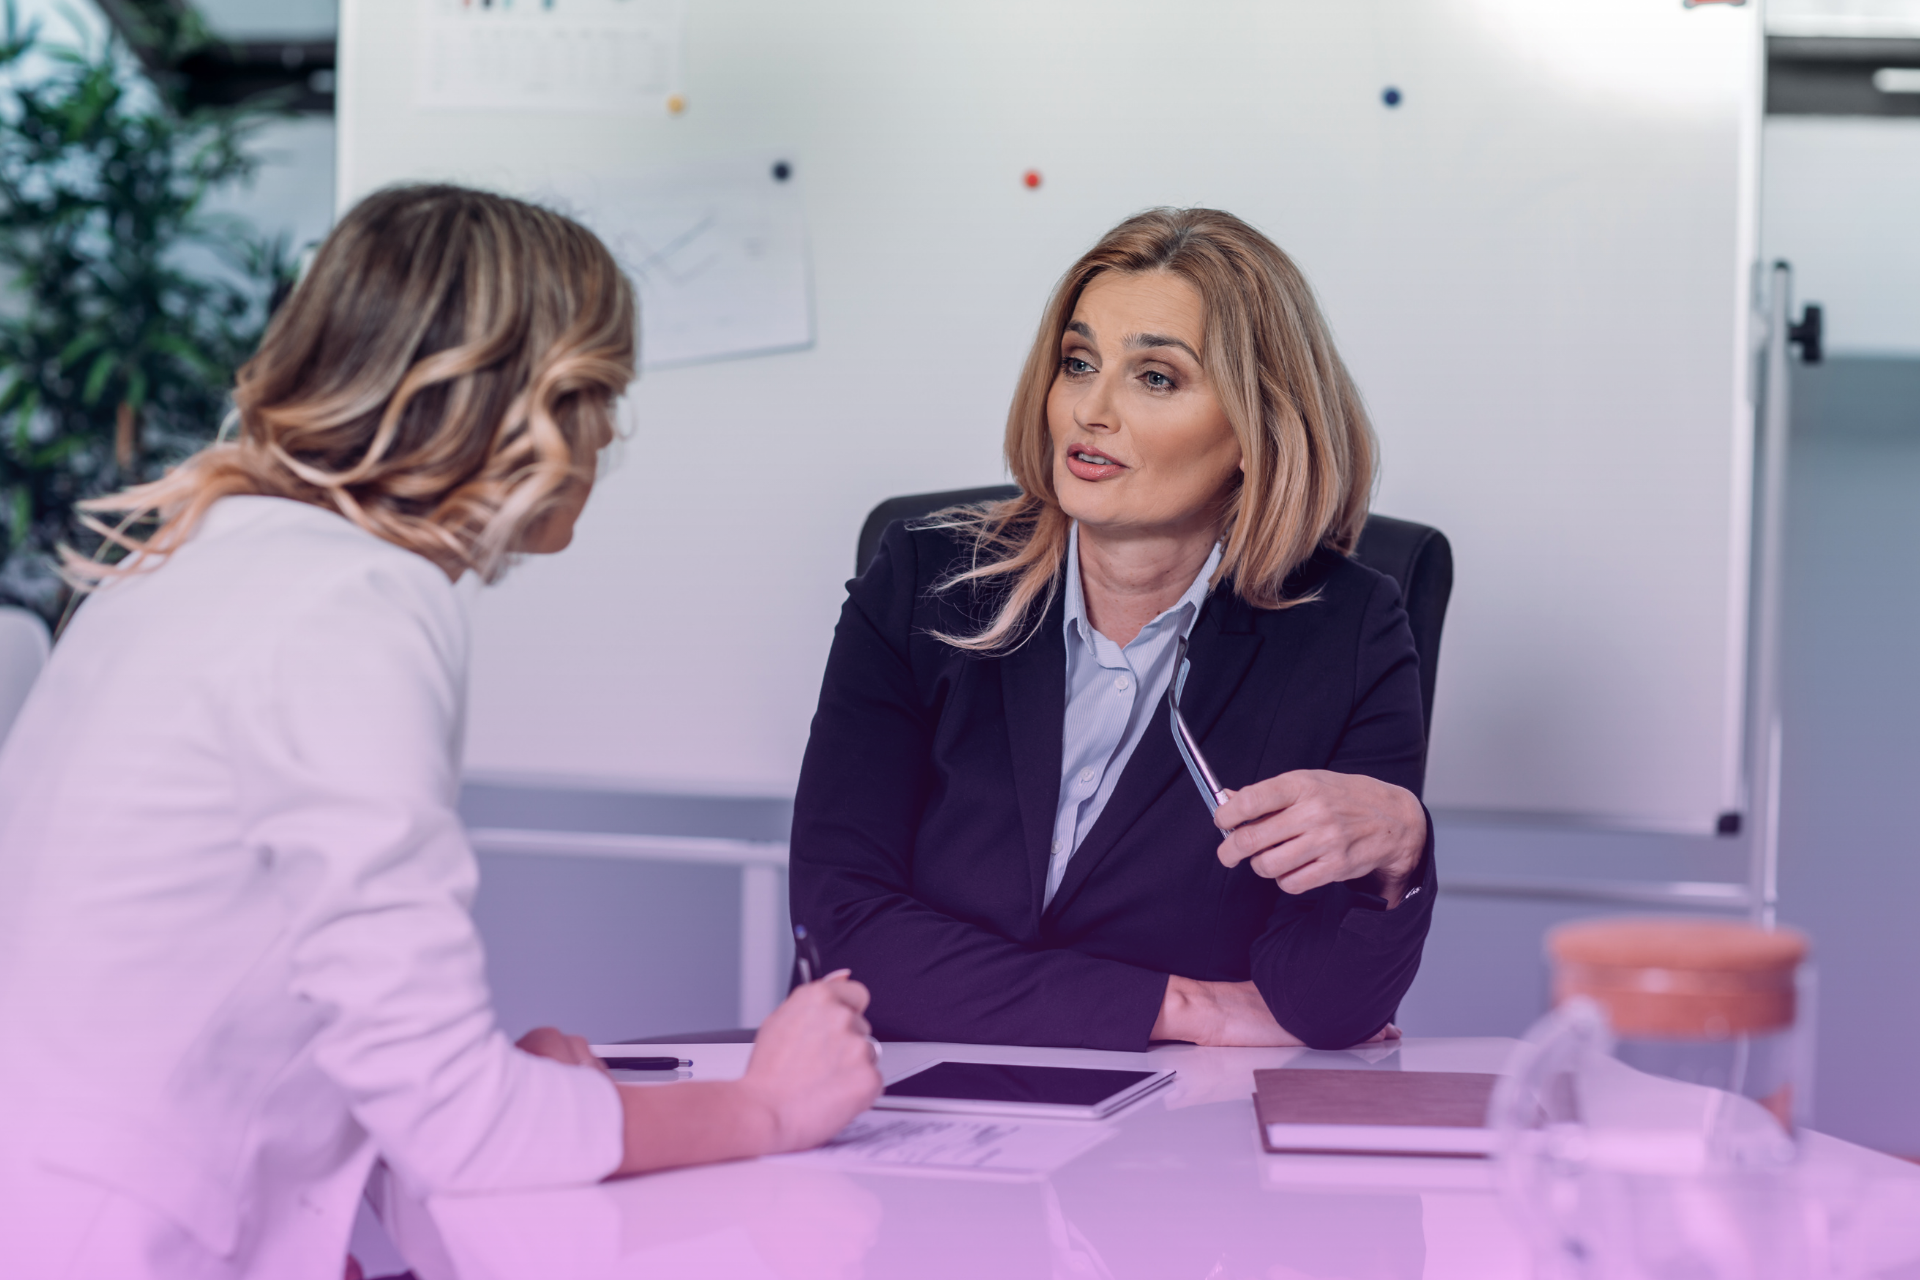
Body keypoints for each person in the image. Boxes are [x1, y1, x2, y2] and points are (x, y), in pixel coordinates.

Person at [0, 185, 881, 1280]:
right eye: (602, 391)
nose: (611, 434)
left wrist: (550, 1100)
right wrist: (765, 1105)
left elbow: (294, 1010)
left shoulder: (201, 557)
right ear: (529, 406)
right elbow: (457, 1127)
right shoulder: (353, 604)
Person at [789, 208, 1434, 1052]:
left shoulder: (1348, 630)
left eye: (1156, 377)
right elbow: (843, 937)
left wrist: (1398, 854)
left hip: (1175, 1143)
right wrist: (1181, 1007)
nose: (1089, 410)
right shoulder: (924, 583)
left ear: (1257, 428)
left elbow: (1320, 1009)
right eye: (1077, 362)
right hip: (905, 1104)